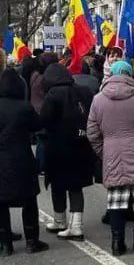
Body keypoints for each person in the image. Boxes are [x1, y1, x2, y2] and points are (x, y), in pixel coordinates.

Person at [0, 68, 48, 255]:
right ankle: (32, 241)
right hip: (21, 159)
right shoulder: (24, 108)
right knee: (29, 201)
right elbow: (37, 126)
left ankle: (5, 243)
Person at [87, 60, 134, 255]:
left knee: (116, 202)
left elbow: (92, 133)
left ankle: (117, 243)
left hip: (112, 151)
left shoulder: (98, 99)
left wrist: (104, 152)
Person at [39, 61, 96, 239]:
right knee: (76, 186)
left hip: (58, 146)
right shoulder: (84, 91)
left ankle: (59, 220)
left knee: (57, 184)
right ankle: (76, 224)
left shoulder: (53, 94)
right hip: (82, 144)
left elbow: (45, 120)